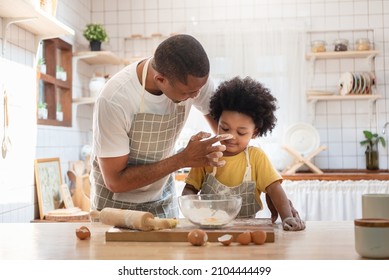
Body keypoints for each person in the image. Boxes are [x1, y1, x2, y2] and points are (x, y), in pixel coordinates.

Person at [90, 34, 230, 218]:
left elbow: (227, 132)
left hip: (162, 203)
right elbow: (116, 181)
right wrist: (183, 159)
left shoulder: (194, 84)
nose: (197, 96)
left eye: (199, 89)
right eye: (188, 93)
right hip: (115, 207)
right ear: (161, 80)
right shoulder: (115, 99)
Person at [182, 76, 305, 231]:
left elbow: (274, 189)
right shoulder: (207, 155)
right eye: (225, 128)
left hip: (246, 230)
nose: (231, 137)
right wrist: (192, 210)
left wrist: (287, 217)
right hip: (209, 228)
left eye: (241, 132)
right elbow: (190, 188)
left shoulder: (256, 157)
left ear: (254, 133)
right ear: (217, 121)